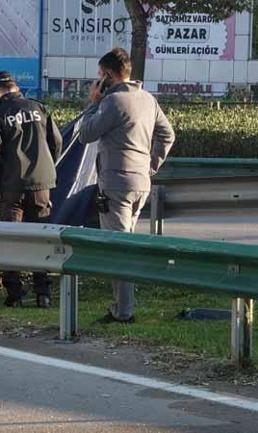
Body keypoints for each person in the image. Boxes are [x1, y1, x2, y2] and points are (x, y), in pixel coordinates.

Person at [80, 48, 175, 324]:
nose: (98, 81)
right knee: (126, 242)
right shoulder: (147, 99)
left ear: (108, 75)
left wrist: (93, 102)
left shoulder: (113, 102)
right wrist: (150, 166)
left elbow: (86, 134)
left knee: (118, 249)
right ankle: (123, 306)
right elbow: (167, 135)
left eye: (100, 76)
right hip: (140, 183)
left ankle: (123, 311)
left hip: (116, 184)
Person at [0, 71, 62, 308]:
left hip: (12, 187)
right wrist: (46, 168)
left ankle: (15, 295)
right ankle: (43, 294)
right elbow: (56, 142)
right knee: (41, 240)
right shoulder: (39, 108)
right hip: (41, 185)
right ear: (16, 87)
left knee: (10, 240)